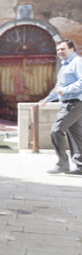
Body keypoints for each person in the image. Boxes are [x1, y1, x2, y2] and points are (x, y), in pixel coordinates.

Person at [38, 39, 82, 175]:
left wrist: (66, 90)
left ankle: (62, 164)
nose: (59, 52)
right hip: (70, 102)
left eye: (62, 49)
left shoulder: (77, 62)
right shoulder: (65, 65)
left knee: (56, 130)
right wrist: (47, 99)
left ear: (72, 49)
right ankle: (80, 166)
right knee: (76, 135)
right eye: (57, 50)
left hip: (74, 103)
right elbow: (58, 88)